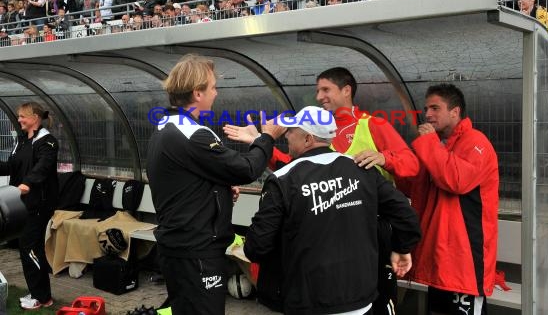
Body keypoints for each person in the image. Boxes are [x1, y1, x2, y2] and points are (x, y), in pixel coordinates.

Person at [225, 67, 420, 315]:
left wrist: (384, 157)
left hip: (367, 240)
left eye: (325, 89)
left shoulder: (372, 124)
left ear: (346, 90)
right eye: (317, 90)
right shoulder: (330, 139)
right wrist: (260, 144)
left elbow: (412, 166)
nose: (319, 96)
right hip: (344, 259)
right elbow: (299, 169)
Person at [146, 54, 280, 315]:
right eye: (213, 87)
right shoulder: (193, 134)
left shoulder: (166, 126)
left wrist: (217, 189)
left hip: (180, 245)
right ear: (197, 93)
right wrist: (266, 138)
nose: (216, 93)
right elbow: (246, 169)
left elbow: (183, 179)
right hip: (196, 249)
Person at [404, 83, 499, 315]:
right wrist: (387, 161)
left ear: (455, 111)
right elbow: (415, 187)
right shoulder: (440, 144)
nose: (427, 115)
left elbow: (456, 180)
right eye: (426, 108)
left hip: (465, 262)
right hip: (442, 261)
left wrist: (429, 144)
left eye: (435, 108)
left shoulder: (476, 143)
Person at [0, 102, 58, 310]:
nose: (19, 120)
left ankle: (42, 298)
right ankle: (36, 292)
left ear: (35, 117)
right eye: (18, 117)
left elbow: (43, 166)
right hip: (21, 204)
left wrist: (27, 183)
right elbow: (10, 166)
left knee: (31, 249)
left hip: (38, 205)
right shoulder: (22, 141)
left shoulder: (48, 142)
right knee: (27, 249)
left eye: (22, 116)